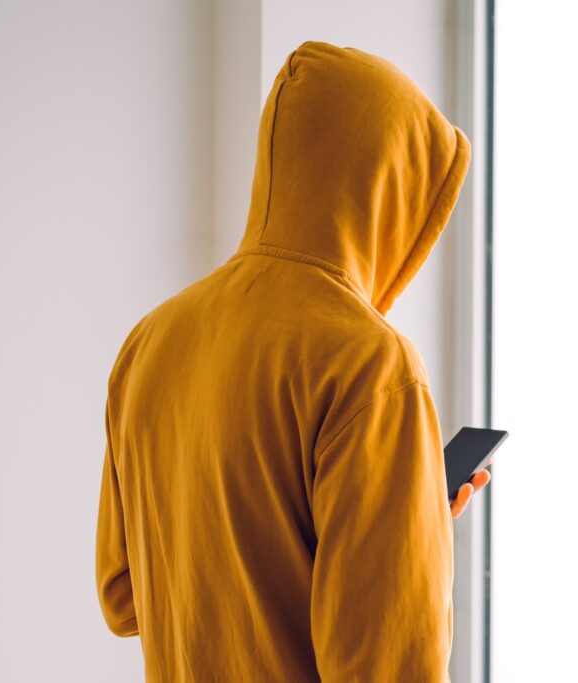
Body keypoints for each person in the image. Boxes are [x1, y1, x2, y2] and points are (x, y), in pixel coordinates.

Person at [95, 40, 486, 682]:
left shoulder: (150, 342)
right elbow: (389, 667)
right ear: (389, 190)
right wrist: (420, 552)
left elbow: (124, 596)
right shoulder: (370, 366)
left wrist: (395, 524)